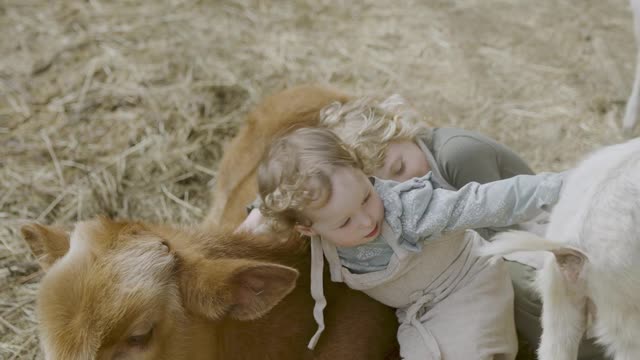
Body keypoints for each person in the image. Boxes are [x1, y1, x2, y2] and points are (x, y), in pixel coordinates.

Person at [255, 127, 565, 359]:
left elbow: (484, 201)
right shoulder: (309, 229)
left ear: (363, 173)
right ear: (307, 230)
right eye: (345, 222)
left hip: (467, 286)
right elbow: (265, 217)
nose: (366, 221)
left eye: (366, 197)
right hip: (416, 314)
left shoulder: (409, 210)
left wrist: (563, 185)